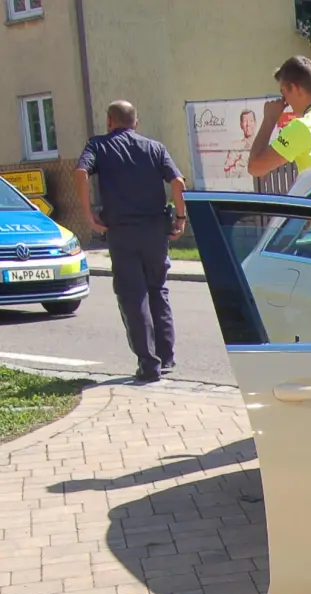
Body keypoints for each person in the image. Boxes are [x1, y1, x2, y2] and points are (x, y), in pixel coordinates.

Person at [74, 100, 186, 383]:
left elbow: (80, 173)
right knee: (158, 290)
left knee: (133, 296)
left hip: (121, 232)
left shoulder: (98, 146)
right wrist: (180, 218)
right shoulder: (155, 148)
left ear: (109, 121)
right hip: (154, 231)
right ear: (135, 123)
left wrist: (88, 214)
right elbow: (178, 183)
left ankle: (149, 365)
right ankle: (167, 358)